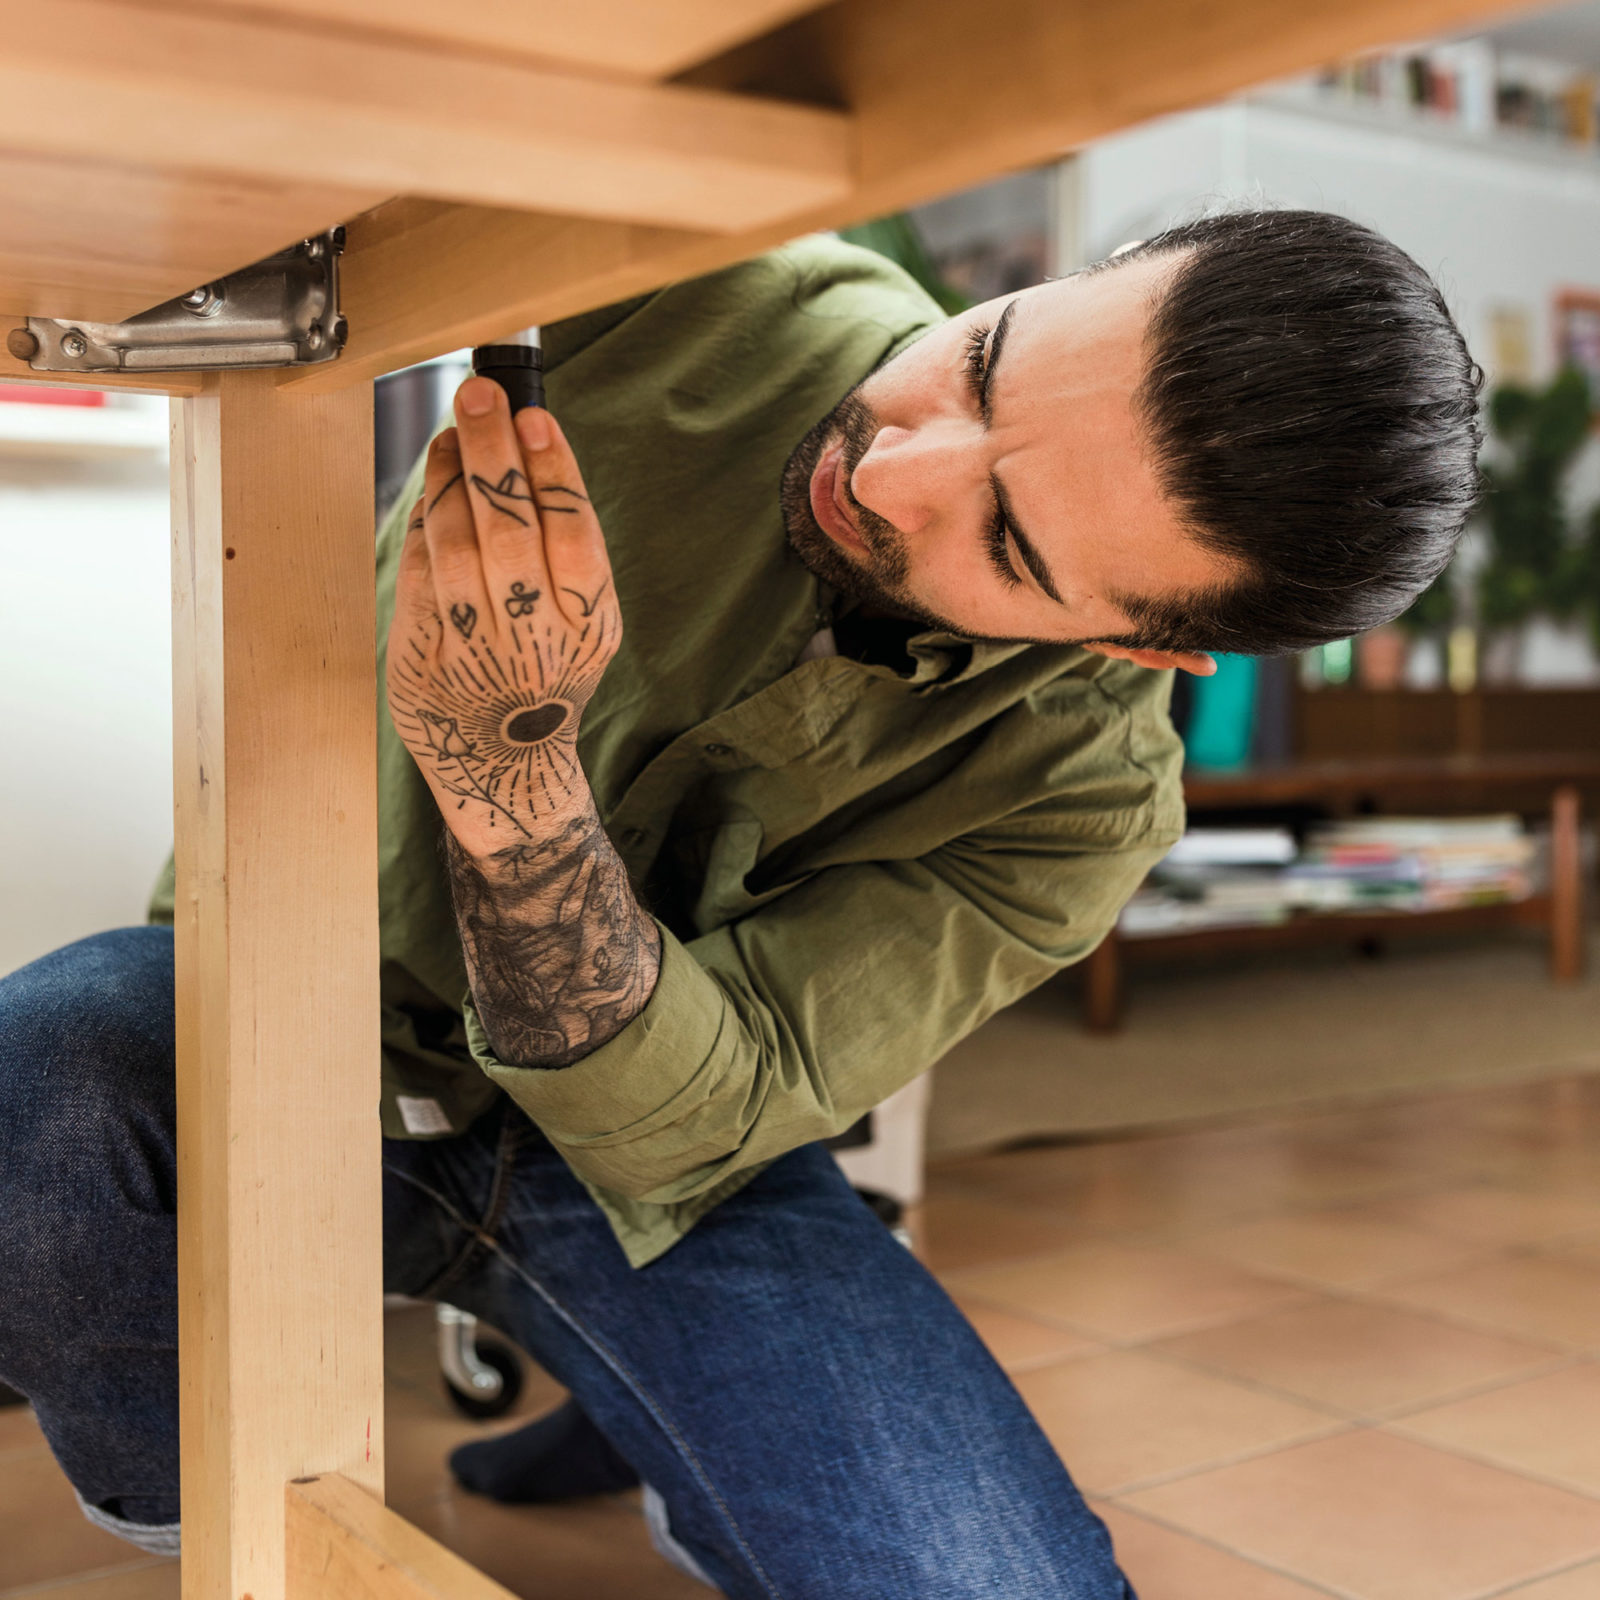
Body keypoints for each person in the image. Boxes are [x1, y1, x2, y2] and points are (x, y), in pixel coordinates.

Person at [0, 207, 1480, 1598]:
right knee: (43, 1071)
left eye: (1010, 540)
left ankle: (661, 1394)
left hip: (654, 1179)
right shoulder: (715, 281)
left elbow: (701, 1116)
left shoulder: (1083, 802)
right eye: (980, 363)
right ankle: (204, 1510)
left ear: (1147, 650)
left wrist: (510, 785)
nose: (896, 471)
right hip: (275, 1025)